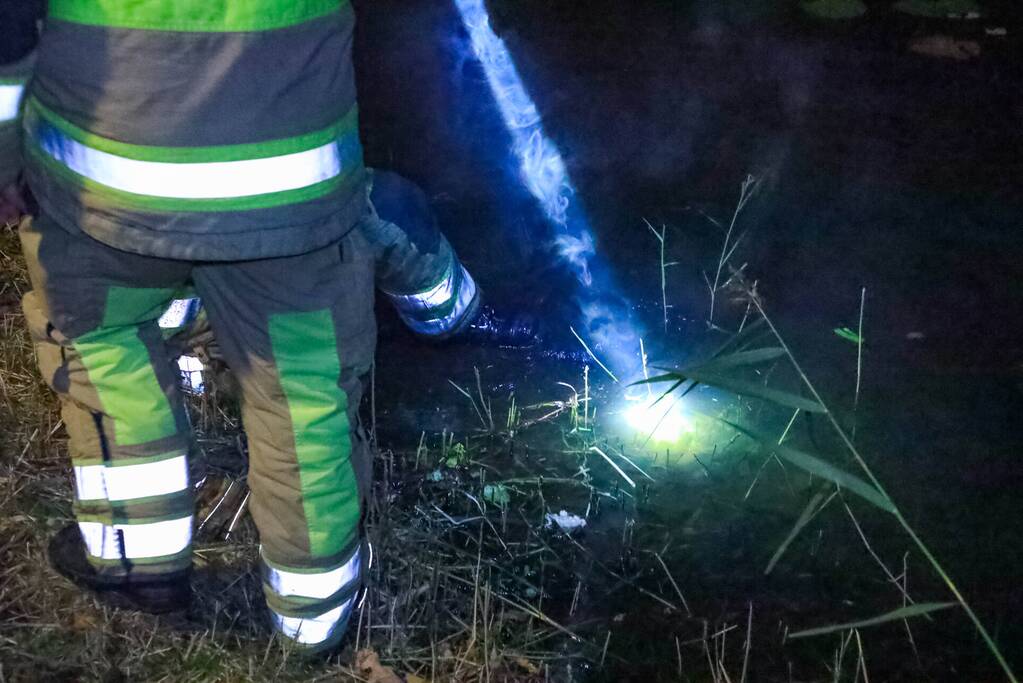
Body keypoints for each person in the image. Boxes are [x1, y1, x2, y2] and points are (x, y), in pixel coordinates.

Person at [0, 0, 527, 653]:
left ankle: (139, 569)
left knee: (108, 360)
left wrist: (4, 169)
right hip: (291, 193)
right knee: (302, 401)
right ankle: (314, 622)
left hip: (100, 193)